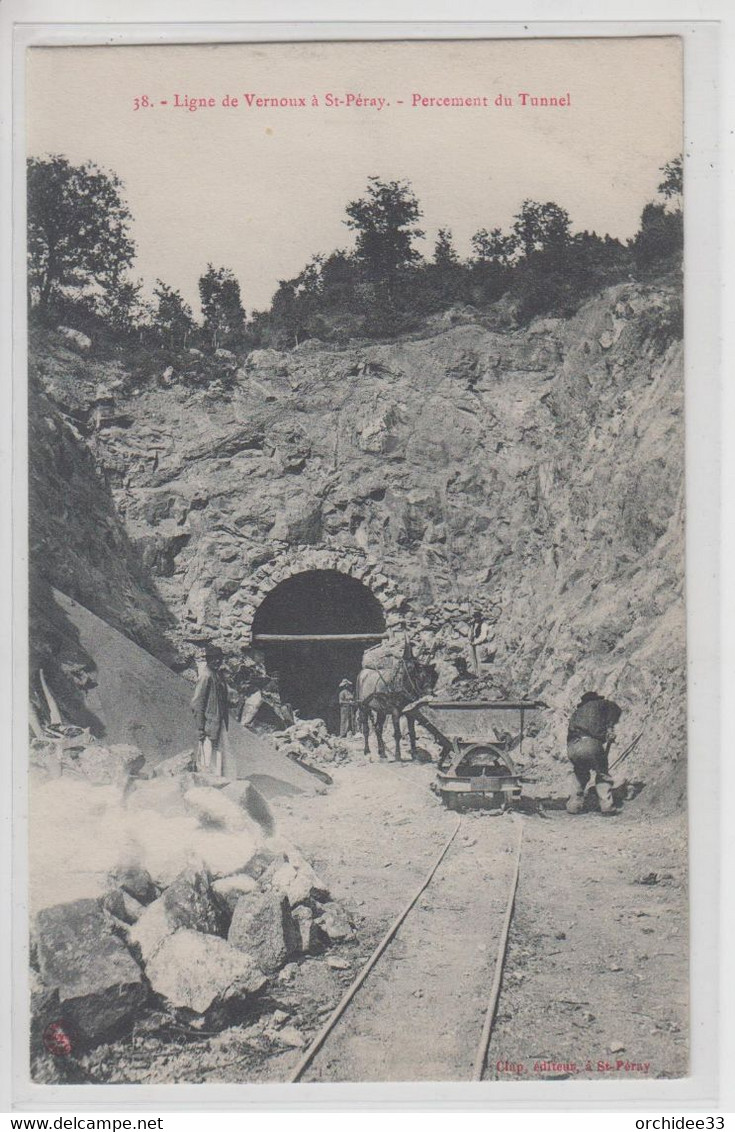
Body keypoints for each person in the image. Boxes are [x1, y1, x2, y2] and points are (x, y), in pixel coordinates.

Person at [565, 690, 622, 815]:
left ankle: (573, 806)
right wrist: (610, 728)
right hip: (591, 744)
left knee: (580, 774)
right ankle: (607, 807)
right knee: (602, 774)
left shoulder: (577, 712)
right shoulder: (601, 704)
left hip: (572, 747)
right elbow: (616, 709)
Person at [190, 641, 230, 776]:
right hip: (209, 723)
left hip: (218, 721)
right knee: (208, 755)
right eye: (214, 659)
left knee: (219, 753)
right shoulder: (206, 676)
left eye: (220, 658)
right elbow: (197, 703)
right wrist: (200, 727)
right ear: (208, 660)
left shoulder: (217, 675)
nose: (217, 661)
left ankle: (218, 779)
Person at [469, 610, 490, 676]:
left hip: (480, 644)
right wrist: (470, 638)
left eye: (478, 617)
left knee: (479, 659)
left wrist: (475, 642)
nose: (476, 618)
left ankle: (480, 674)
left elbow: (483, 636)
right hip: (473, 642)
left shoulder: (484, 625)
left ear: (480, 617)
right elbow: (469, 633)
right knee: (473, 658)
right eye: (475, 617)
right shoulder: (473, 624)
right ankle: (475, 673)